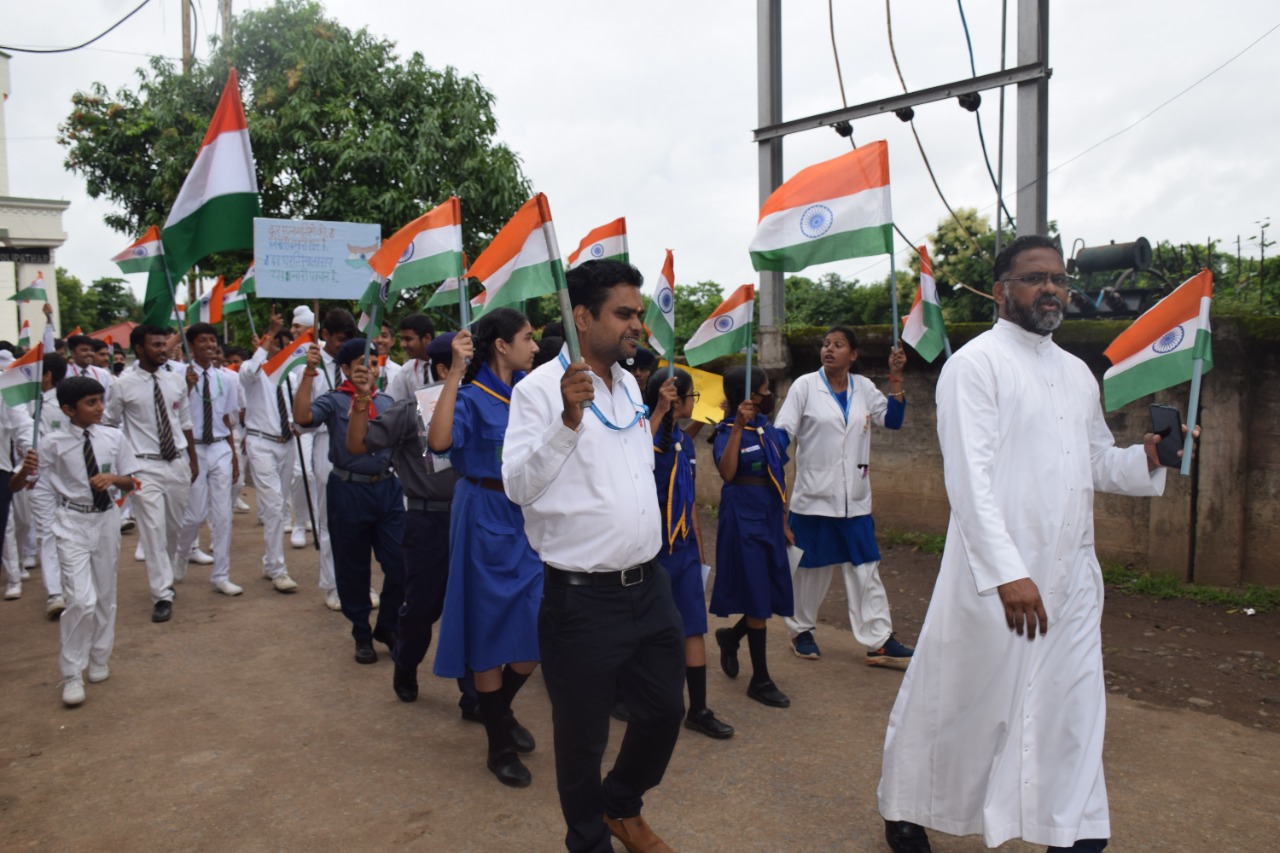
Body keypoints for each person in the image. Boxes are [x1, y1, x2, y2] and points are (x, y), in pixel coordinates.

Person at [877, 236, 1199, 853]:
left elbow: (1097, 461)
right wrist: (1006, 572)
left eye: (1057, 278)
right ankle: (906, 805)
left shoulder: (1077, 373)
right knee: (962, 698)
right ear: (1002, 291)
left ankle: (1072, 828)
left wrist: (1150, 457)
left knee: (1069, 705)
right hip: (995, 575)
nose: (1050, 288)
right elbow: (967, 480)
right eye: (1034, 278)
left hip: (1073, 576)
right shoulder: (975, 366)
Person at [504, 259, 685, 853]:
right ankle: (588, 840)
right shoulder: (536, 391)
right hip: (581, 600)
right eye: (624, 314)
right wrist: (566, 419)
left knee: (663, 712)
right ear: (583, 317)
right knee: (581, 741)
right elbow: (518, 487)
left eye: (638, 313)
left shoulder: (630, 383)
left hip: (650, 586)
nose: (637, 324)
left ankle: (620, 804)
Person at [428, 309, 543, 788]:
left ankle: (492, 706)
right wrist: (455, 370)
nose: (534, 347)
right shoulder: (472, 397)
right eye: (527, 338)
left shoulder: (527, 396)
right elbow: (438, 443)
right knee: (487, 634)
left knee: (536, 630)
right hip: (481, 515)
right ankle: (498, 744)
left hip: (524, 520)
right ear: (500, 345)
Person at [345, 332, 480, 720]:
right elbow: (358, 445)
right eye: (463, 364)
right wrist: (361, 402)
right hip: (428, 521)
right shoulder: (410, 410)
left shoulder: (481, 404)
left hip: (473, 517)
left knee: (471, 604)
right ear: (442, 368)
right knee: (423, 608)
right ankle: (406, 661)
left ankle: (472, 692)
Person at [775, 327, 915, 667]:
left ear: (853, 355)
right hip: (813, 497)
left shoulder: (864, 387)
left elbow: (893, 420)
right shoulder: (805, 386)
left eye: (838, 345)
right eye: (826, 344)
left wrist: (896, 378)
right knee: (808, 569)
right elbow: (782, 435)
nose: (829, 349)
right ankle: (801, 631)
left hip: (855, 498)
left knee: (866, 566)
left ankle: (879, 640)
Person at [11, 376, 138, 707]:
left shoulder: (113, 436)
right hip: (71, 522)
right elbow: (16, 485)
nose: (99, 408)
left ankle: (99, 656)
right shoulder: (51, 444)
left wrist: (113, 479)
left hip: (106, 518)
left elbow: (132, 481)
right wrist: (25, 470)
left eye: (100, 400)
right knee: (81, 599)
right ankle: (71, 671)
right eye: (91, 403)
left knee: (106, 593)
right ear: (68, 409)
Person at [294, 338, 403, 664]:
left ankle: (387, 626)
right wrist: (309, 374)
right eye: (360, 365)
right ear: (344, 369)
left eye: (372, 364)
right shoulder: (335, 402)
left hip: (387, 489)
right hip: (348, 491)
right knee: (352, 566)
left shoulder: (387, 401)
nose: (368, 371)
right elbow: (302, 418)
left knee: (401, 564)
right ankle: (360, 630)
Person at [644, 368, 733, 739]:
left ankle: (698, 708)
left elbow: (689, 497)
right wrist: (658, 412)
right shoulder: (643, 441)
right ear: (672, 400)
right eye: (692, 396)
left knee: (693, 626)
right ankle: (635, 699)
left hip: (682, 551)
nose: (696, 402)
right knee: (644, 632)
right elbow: (638, 456)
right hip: (649, 553)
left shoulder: (684, 441)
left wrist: (697, 542)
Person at [709, 365, 793, 708]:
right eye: (764, 390)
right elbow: (728, 473)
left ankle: (731, 638)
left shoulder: (768, 430)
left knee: (768, 593)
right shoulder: (726, 431)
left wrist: (785, 521)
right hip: (743, 519)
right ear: (748, 396)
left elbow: (778, 476)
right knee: (758, 595)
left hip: (770, 518)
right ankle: (760, 680)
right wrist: (738, 426)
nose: (769, 395)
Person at [103, 325, 197, 623]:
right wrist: (118, 465)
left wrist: (192, 460)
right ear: (139, 349)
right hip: (143, 466)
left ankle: (165, 574)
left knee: (173, 526)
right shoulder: (122, 384)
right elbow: (109, 424)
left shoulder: (176, 380)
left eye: (163, 345)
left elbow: (185, 421)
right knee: (153, 529)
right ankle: (162, 593)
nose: (162, 349)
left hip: (177, 462)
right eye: (155, 345)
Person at [172, 324, 243, 596]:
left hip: (220, 448)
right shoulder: (178, 375)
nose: (210, 345)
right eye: (203, 341)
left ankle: (221, 575)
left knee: (223, 514)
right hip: (193, 449)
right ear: (191, 346)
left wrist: (234, 457)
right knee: (194, 514)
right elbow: (175, 412)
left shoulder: (226, 378)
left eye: (213, 341)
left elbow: (227, 419)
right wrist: (187, 387)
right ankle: (181, 553)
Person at [237, 313, 301, 593]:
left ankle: (268, 561)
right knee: (274, 505)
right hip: (260, 442)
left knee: (283, 503)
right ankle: (277, 568)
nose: (281, 350)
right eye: (276, 344)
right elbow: (248, 372)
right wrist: (267, 338)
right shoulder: (254, 371)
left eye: (285, 345)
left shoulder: (292, 374)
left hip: (286, 443)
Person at [31, 353, 70, 617]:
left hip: (67, 475)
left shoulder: (65, 402)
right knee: (46, 532)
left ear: (46, 376)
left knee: (69, 530)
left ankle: (72, 584)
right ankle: (55, 593)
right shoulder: (29, 403)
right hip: (40, 477)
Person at [384, 313, 436, 402]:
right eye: (402, 339)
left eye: (408, 339)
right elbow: (391, 402)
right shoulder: (406, 371)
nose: (403, 345)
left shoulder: (449, 364)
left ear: (427, 338)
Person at [65, 334, 114, 398]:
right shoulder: (65, 373)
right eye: (84, 350)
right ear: (72, 353)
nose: (89, 353)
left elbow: (107, 401)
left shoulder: (103, 374)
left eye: (91, 350)